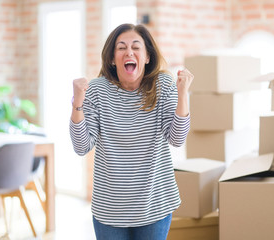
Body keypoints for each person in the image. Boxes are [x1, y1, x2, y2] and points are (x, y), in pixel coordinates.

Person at [69, 23, 193, 240]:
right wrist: (77, 103)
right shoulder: (97, 90)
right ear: (111, 58)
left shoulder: (162, 85)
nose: (129, 52)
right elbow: (81, 147)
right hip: (109, 209)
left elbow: (177, 138)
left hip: (155, 204)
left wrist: (182, 95)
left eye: (136, 47)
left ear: (146, 57)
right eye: (121, 47)